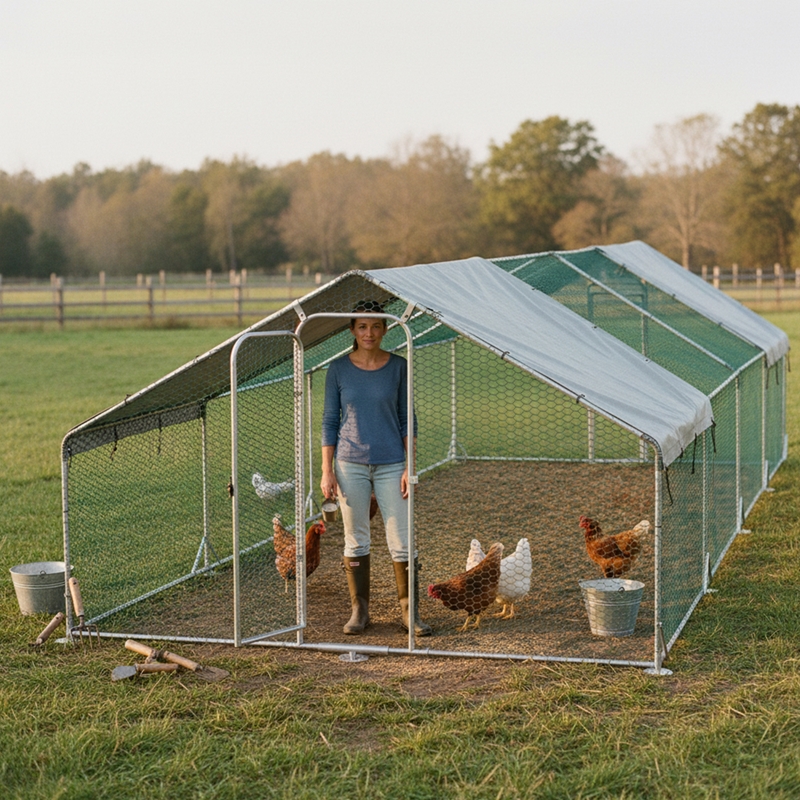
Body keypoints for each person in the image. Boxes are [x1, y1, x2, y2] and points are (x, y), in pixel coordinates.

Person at [320, 301, 432, 637]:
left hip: (392, 463)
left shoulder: (399, 366)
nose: (370, 333)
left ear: (386, 329)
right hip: (349, 463)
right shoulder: (338, 370)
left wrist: (408, 467)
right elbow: (329, 421)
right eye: (363, 327)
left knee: (401, 540)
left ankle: (409, 614)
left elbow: (407, 418)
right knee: (356, 540)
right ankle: (360, 612)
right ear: (352, 330)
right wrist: (327, 470)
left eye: (376, 326)